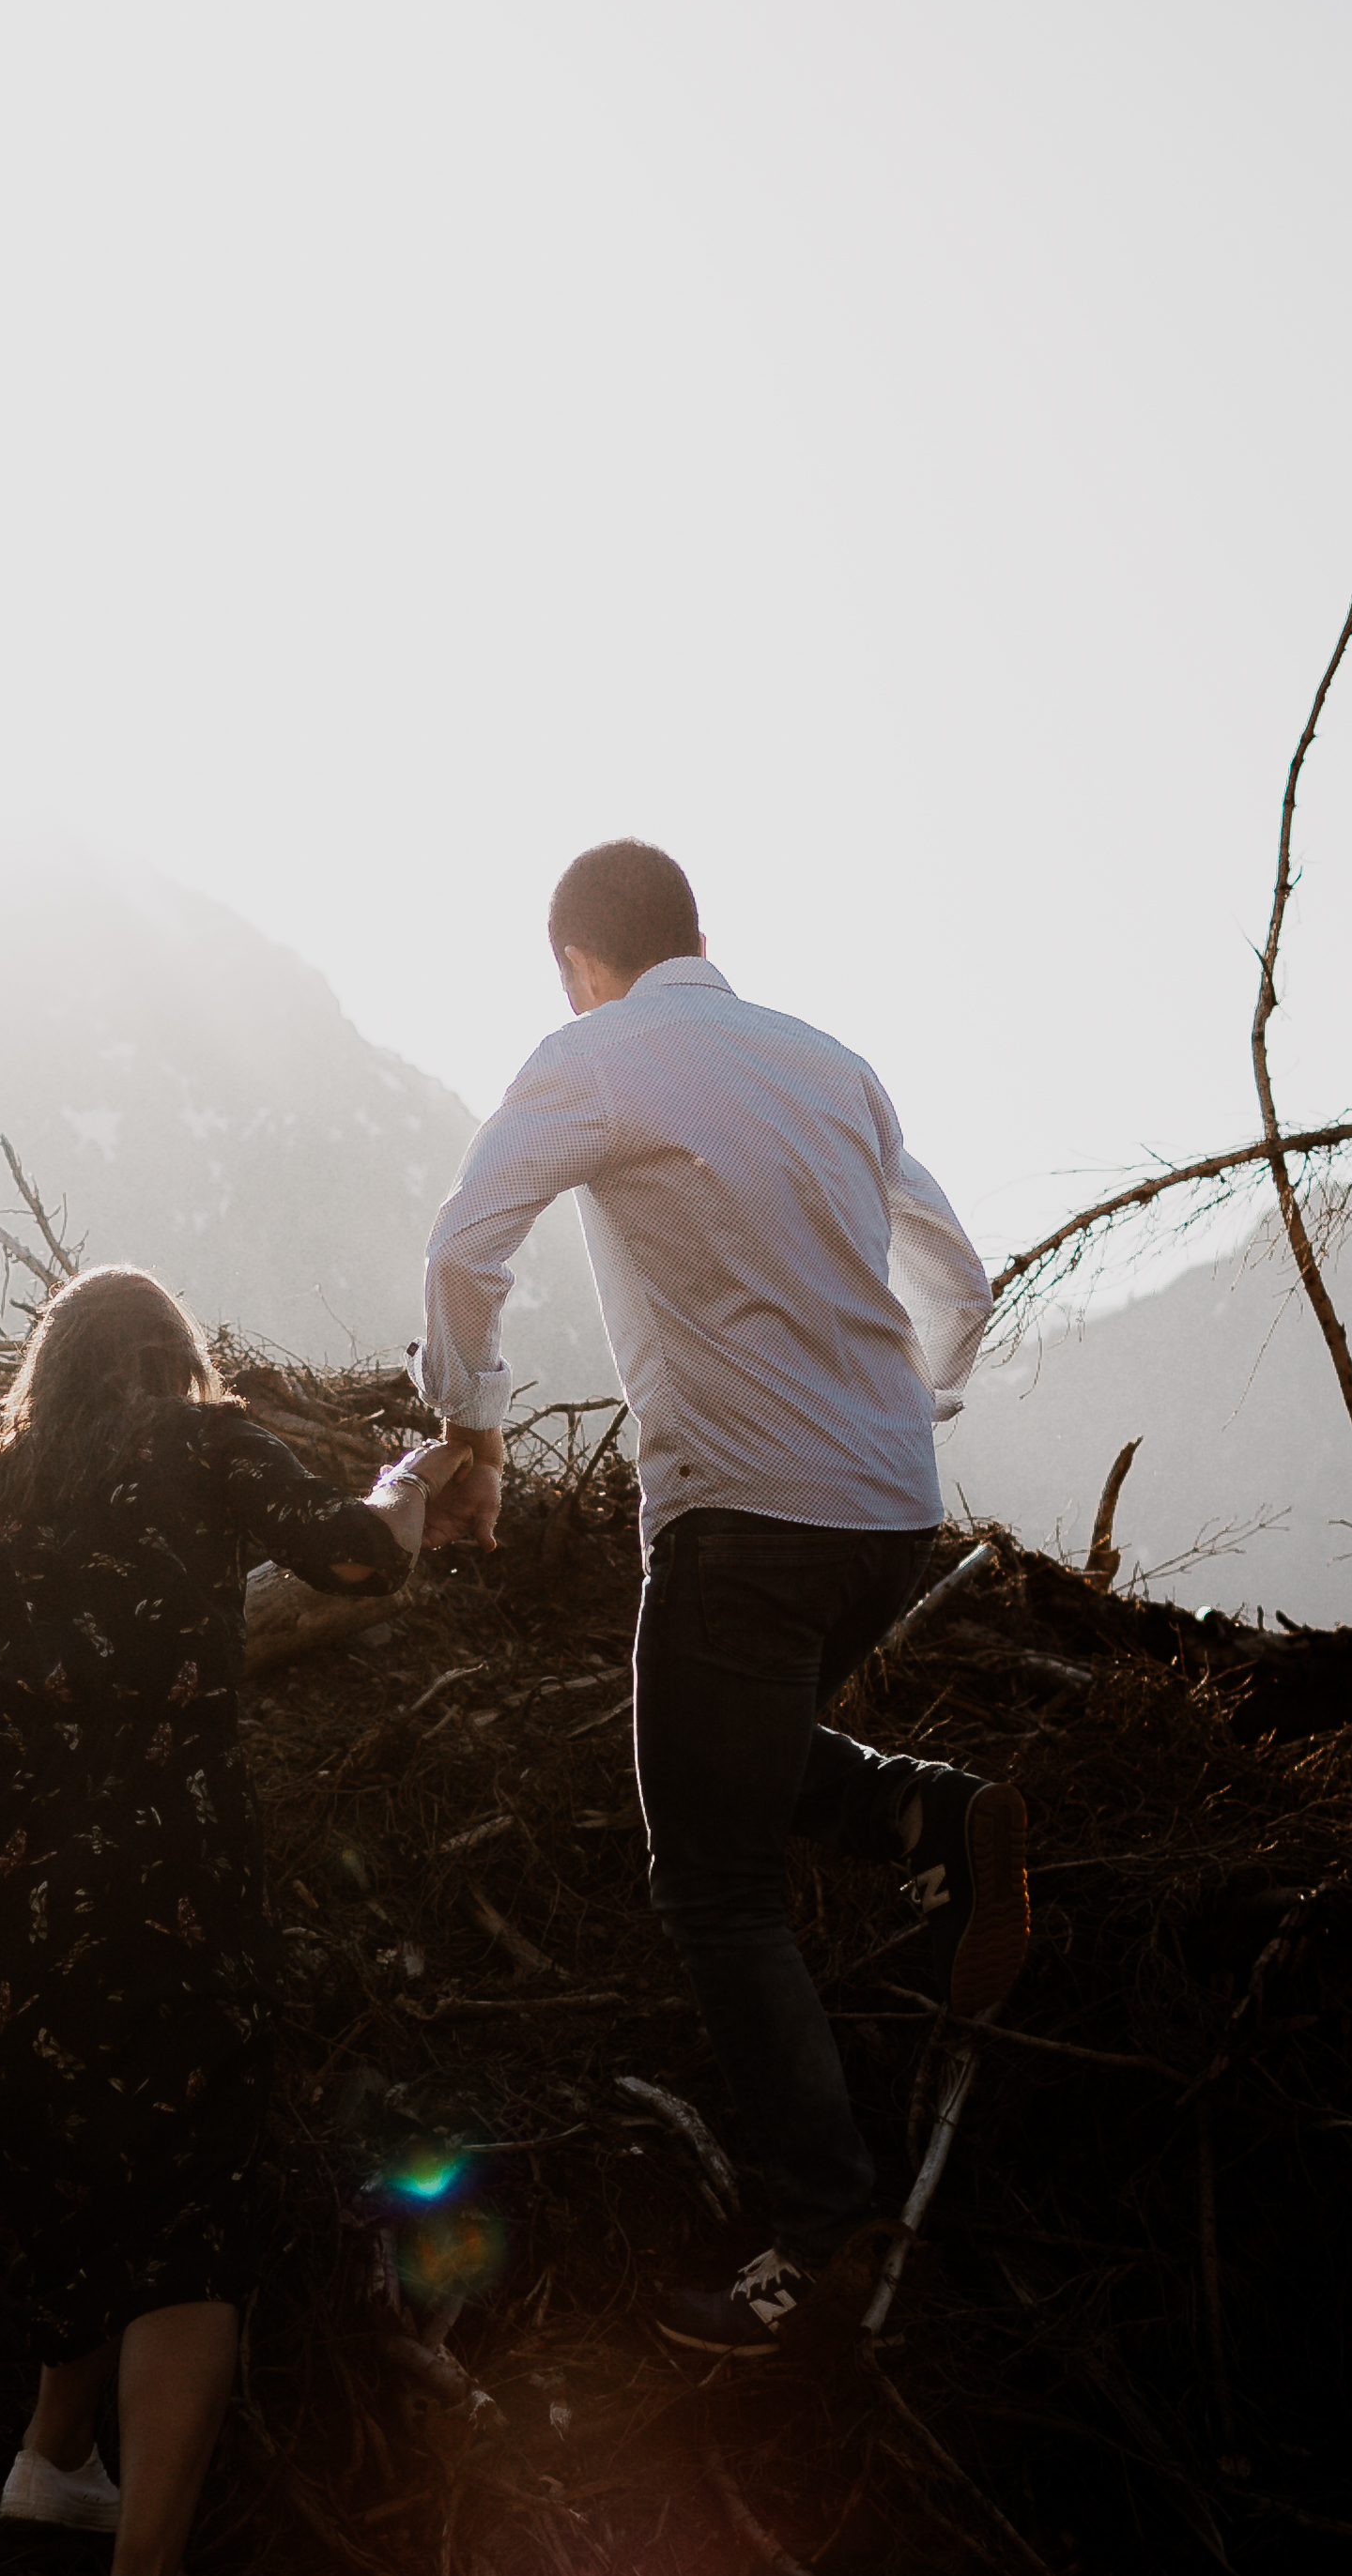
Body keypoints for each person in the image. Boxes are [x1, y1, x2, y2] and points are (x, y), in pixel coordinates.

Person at [410, 837, 1028, 2360]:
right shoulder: (831, 1066)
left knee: (711, 1880)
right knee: (729, 1756)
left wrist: (474, 1434)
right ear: (698, 931)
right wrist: (900, 1411)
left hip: (745, 1515)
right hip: (887, 1514)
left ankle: (823, 2235)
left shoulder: (599, 1055)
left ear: (575, 959)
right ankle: (929, 1818)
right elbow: (963, 1279)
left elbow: (462, 1247)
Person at [0, 1265, 443, 2576]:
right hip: (165, 1890)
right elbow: (359, 1564)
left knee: (85, 2165)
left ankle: (54, 2454)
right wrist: (409, 1476)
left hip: (6, 1910)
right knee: (194, 2219)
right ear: (172, 1363)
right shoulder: (204, 1442)